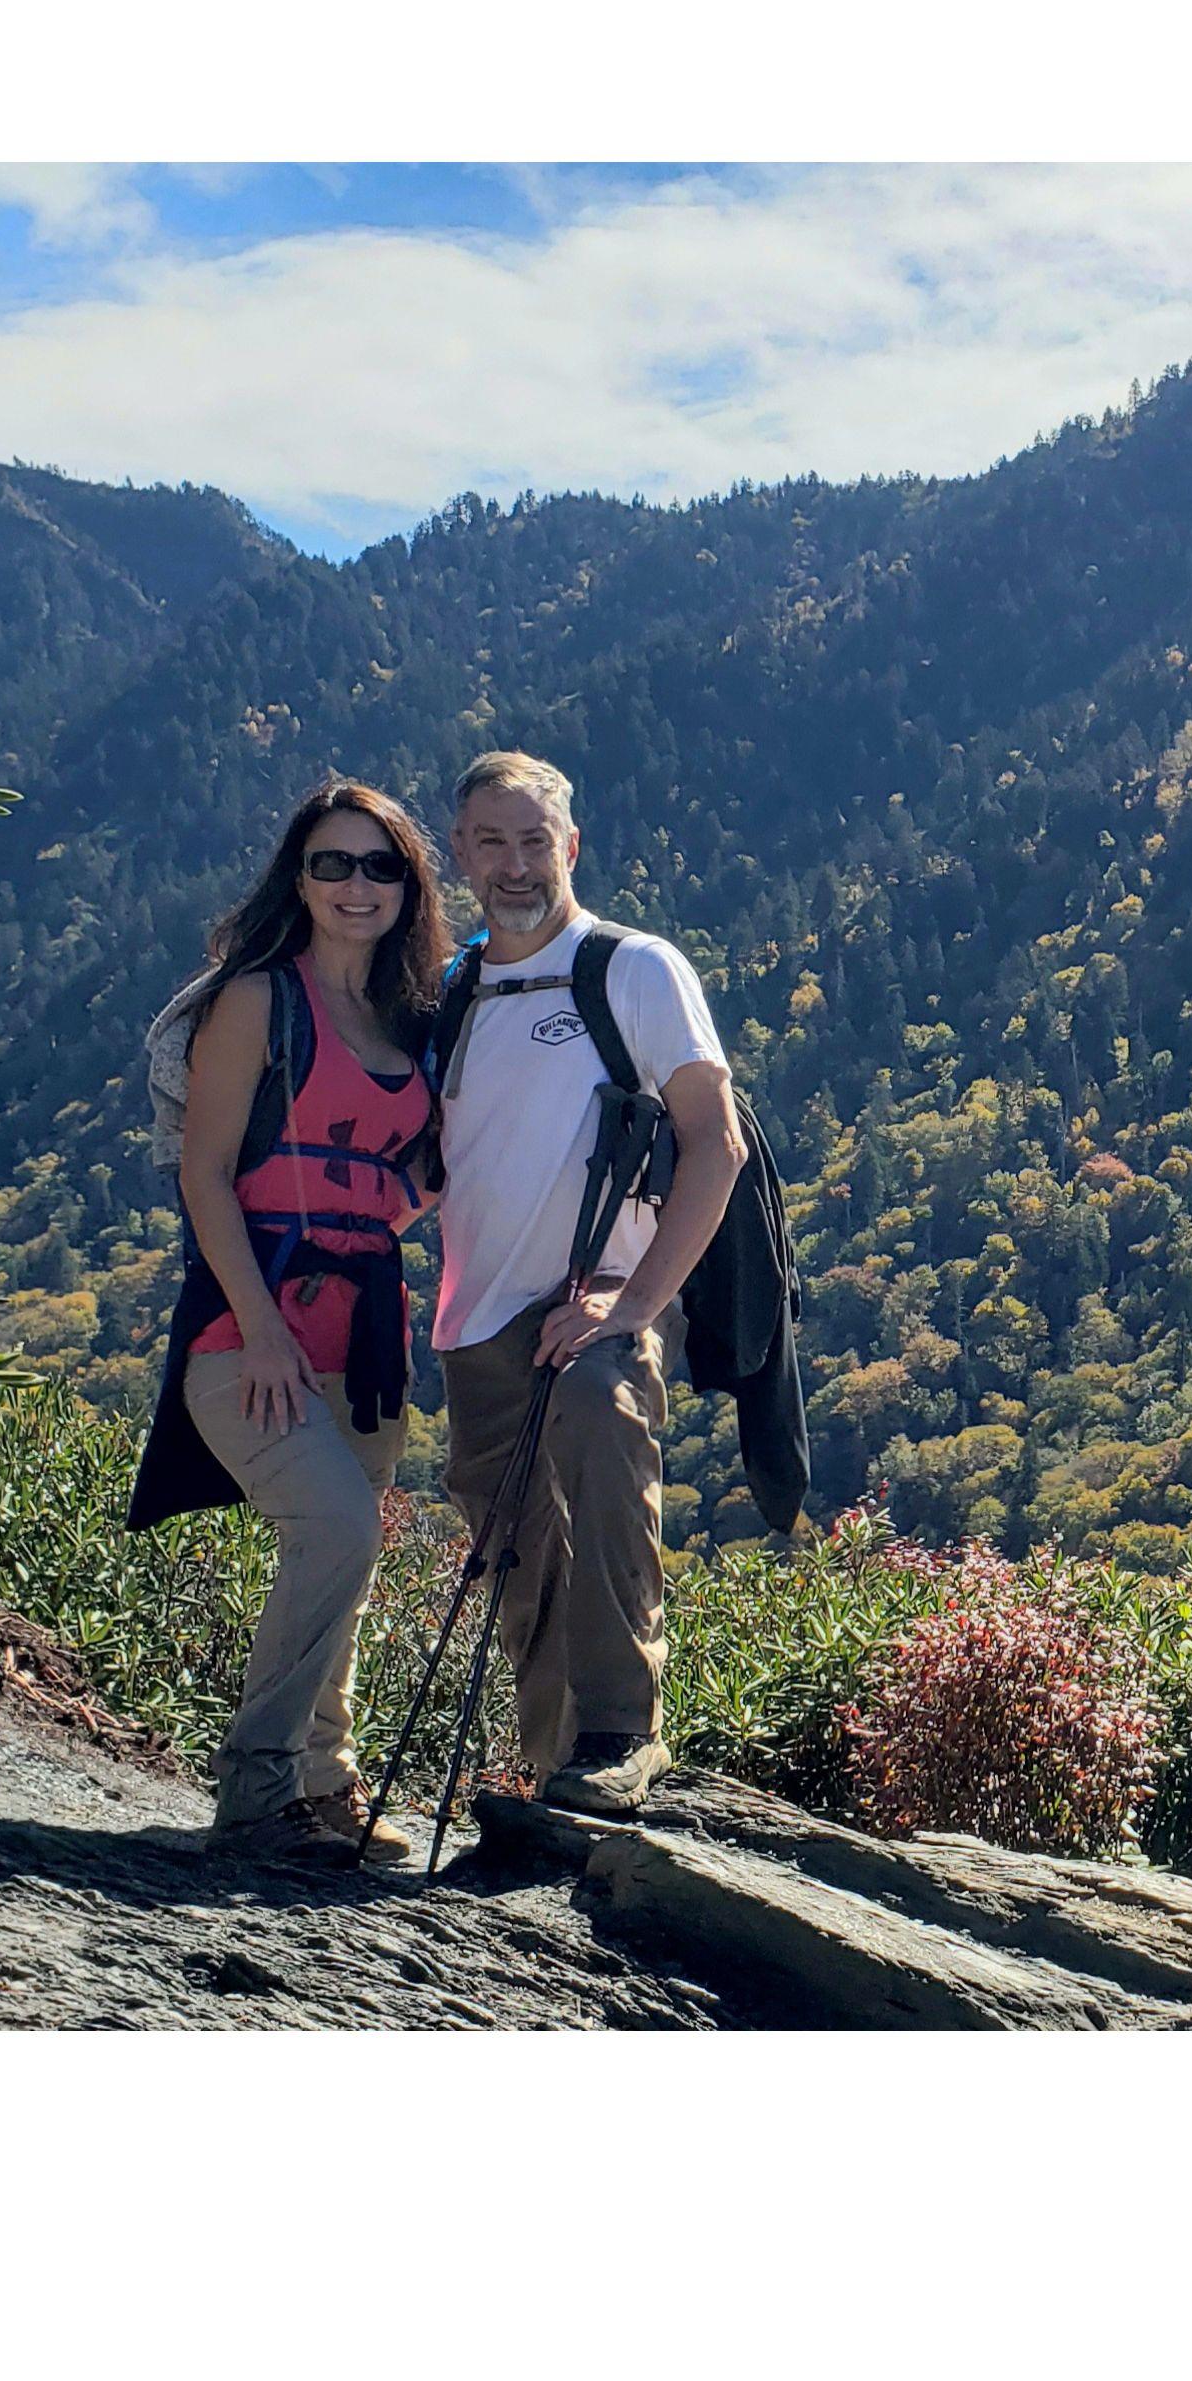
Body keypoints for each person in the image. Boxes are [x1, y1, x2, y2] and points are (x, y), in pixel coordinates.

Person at [128, 779, 452, 1855]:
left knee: (343, 1562)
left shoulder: (411, 1019)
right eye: (332, 863)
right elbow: (206, 1174)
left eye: (380, 865)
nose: (356, 885)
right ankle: (257, 1788)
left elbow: (409, 1176)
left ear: (409, 884)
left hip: (363, 1339)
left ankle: (327, 1786)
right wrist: (260, 1327)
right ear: (298, 879)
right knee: (340, 1530)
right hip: (249, 1332)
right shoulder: (260, 1000)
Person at [428, 748, 743, 1817]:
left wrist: (637, 1302)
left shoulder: (632, 969)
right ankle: (555, 1770)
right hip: (475, 1319)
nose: (515, 865)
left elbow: (716, 1143)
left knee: (604, 1455)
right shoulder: (454, 988)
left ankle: (619, 1736)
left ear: (571, 844)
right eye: (491, 842)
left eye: (534, 840)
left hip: (596, 1297)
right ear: (460, 853)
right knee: (515, 1556)